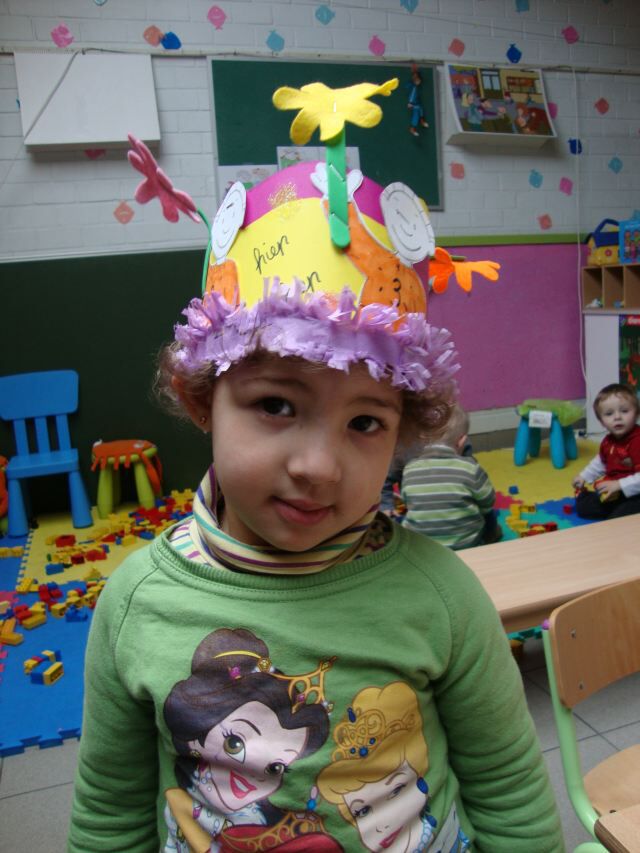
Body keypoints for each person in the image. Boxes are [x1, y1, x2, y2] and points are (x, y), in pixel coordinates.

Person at [69, 83, 563, 853]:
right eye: (275, 405)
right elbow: (109, 814)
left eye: (365, 422)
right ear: (202, 399)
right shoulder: (137, 604)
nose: (319, 466)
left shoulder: (442, 596)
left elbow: (511, 795)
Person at [400, 404, 502, 550]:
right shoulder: (470, 468)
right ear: (462, 441)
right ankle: (492, 537)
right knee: (488, 514)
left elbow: (407, 501)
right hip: (465, 543)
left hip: (422, 546)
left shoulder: (410, 468)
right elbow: (488, 501)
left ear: (423, 438)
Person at [572, 382, 640, 519]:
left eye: (624, 411)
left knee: (618, 519)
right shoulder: (608, 441)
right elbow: (601, 462)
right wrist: (584, 476)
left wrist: (619, 485)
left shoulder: (637, 441)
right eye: (609, 414)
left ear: (637, 414)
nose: (617, 417)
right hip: (615, 491)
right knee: (584, 507)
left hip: (636, 494)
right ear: (601, 421)